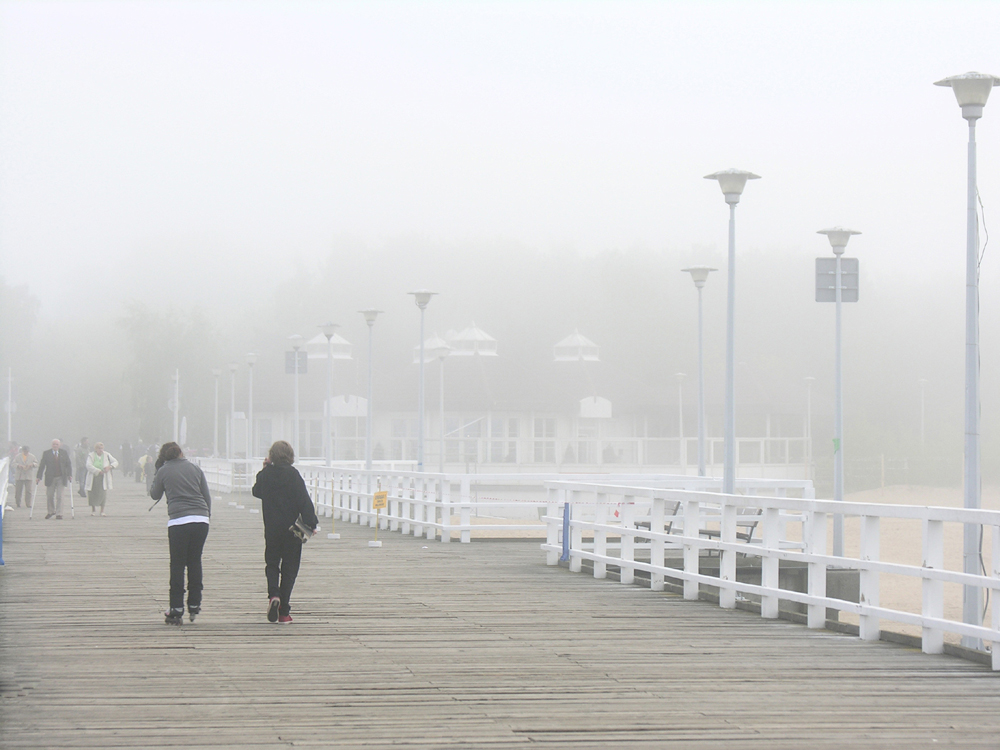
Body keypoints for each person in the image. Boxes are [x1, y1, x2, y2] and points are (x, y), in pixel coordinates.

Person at [252, 440, 318, 624]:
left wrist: (264, 469)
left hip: (272, 529)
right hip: (292, 530)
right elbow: (304, 501)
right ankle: (284, 612)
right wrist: (312, 523)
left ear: (271, 455)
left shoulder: (267, 475)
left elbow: (256, 491)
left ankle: (274, 595)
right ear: (290, 456)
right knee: (289, 569)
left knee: (272, 564)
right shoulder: (293, 475)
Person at [149, 442, 211, 626]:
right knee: (194, 561)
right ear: (181, 452)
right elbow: (206, 496)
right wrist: (206, 516)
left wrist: (158, 472)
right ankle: (194, 603)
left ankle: (176, 608)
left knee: (177, 564)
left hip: (178, 521)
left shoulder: (164, 470)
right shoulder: (195, 468)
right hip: (201, 519)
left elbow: (154, 494)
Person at [36, 439, 72, 519]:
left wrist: (69, 474)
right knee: (49, 495)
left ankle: (59, 513)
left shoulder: (64, 453)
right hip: (50, 477)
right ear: (51, 445)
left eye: (57, 444)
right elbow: (42, 465)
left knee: (60, 496)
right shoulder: (46, 453)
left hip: (61, 477)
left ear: (59, 445)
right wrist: (39, 476)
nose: (55, 446)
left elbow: (68, 464)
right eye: (54, 444)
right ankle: (51, 511)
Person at [85, 442, 119, 516]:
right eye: (99, 448)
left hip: (104, 477)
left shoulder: (107, 455)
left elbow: (115, 462)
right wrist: (97, 471)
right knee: (92, 493)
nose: (101, 450)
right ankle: (93, 510)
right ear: (96, 449)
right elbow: (88, 465)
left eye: (102, 448)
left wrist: (109, 467)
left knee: (103, 493)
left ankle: (102, 511)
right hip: (94, 477)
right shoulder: (91, 455)